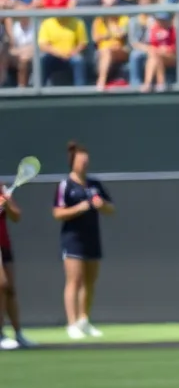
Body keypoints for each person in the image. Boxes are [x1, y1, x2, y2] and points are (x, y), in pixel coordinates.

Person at [52, 141, 115, 339]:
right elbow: (57, 213)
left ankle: (84, 320)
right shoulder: (65, 185)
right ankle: (72, 324)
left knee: (90, 282)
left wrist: (101, 204)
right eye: (81, 159)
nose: (85, 163)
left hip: (92, 238)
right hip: (73, 240)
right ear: (73, 162)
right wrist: (80, 208)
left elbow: (111, 209)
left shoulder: (95, 185)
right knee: (74, 280)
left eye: (87, 159)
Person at [0, 181, 31, 349]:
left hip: (4, 245)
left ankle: (18, 334)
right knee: (2, 285)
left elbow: (16, 216)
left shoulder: (2, 190)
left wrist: (7, 203)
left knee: (10, 289)